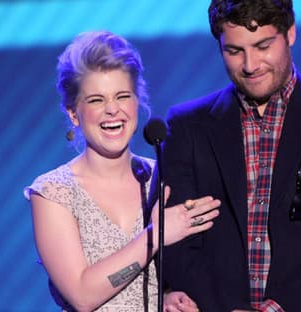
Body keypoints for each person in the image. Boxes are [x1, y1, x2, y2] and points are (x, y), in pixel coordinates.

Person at [159, 1, 301, 311]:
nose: (250, 64)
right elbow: (177, 240)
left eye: (262, 46)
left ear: (290, 33)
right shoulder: (187, 126)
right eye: (234, 51)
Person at [24, 31, 221, 312]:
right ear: (73, 112)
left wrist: (167, 296)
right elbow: (82, 295)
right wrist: (155, 235)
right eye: (96, 100)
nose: (112, 110)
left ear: (137, 101)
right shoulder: (53, 192)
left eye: (122, 96)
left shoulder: (162, 176)